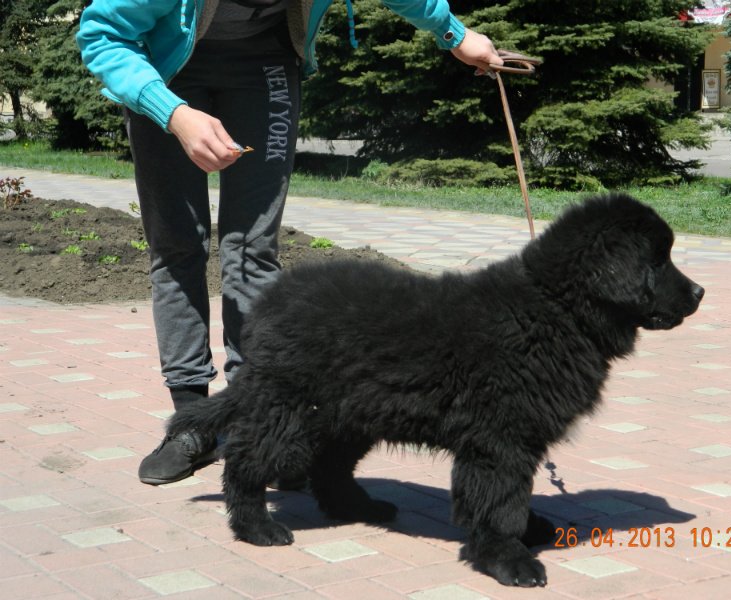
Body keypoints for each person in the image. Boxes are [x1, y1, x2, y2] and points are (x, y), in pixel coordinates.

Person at [77, 0, 504, 486]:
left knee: (252, 248)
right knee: (178, 248)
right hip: (164, 73)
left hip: (265, 67)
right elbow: (101, 34)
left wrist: (454, 34)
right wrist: (172, 113)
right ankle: (192, 423)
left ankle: (259, 417)